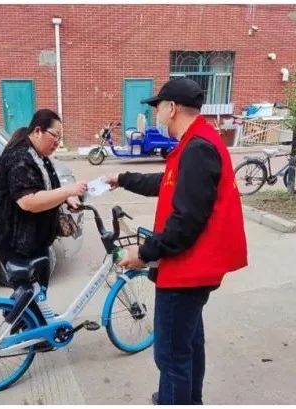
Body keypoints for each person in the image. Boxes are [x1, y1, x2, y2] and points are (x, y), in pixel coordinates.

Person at [106, 78, 247, 405]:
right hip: (194, 268)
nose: (155, 114)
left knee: (171, 355)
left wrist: (143, 253)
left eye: (157, 108)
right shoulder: (196, 141)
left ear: (171, 108)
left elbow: (186, 221)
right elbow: (168, 182)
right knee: (188, 344)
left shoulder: (198, 148)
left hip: (187, 271)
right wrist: (123, 179)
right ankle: (188, 399)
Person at [0, 108, 87, 294]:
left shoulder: (39, 155)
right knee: (29, 293)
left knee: (37, 291)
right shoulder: (19, 157)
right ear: (38, 131)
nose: (58, 142)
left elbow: (48, 186)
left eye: (60, 137)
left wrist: (66, 198)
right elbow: (29, 201)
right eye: (55, 135)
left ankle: (34, 311)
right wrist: (68, 190)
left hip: (34, 238)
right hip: (14, 240)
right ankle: (24, 313)